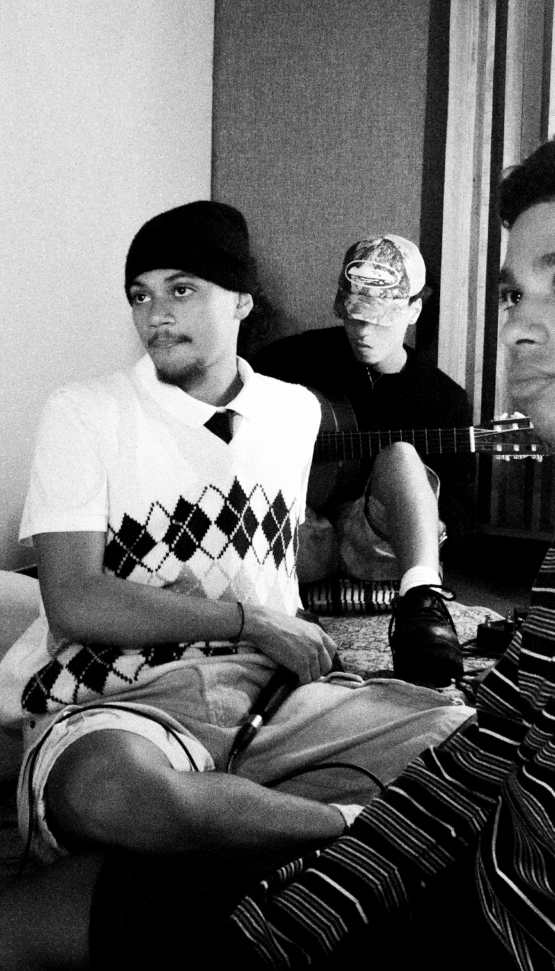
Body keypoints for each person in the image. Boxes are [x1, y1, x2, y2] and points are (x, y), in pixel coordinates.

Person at [6, 124, 555, 971]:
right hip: (480, 888)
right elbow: (490, 755)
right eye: (512, 294)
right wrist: (290, 921)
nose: (519, 328)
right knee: (39, 917)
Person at [0, 202, 473, 876]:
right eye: (141, 295)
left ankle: (259, 816)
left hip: (275, 697)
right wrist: (252, 621)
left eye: (182, 289)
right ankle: (355, 830)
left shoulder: (295, 411)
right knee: (109, 794)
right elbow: (73, 600)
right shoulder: (84, 412)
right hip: (126, 699)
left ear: (242, 302)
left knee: (474, 744)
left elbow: (293, 543)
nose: (156, 314)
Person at [252, 234, 475, 687]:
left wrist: (415, 507)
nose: (364, 332)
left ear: (414, 309)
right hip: (300, 532)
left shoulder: (443, 397)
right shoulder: (289, 361)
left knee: (402, 456)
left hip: (374, 542)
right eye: (355, 317)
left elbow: (462, 513)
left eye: (380, 320)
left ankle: (421, 606)